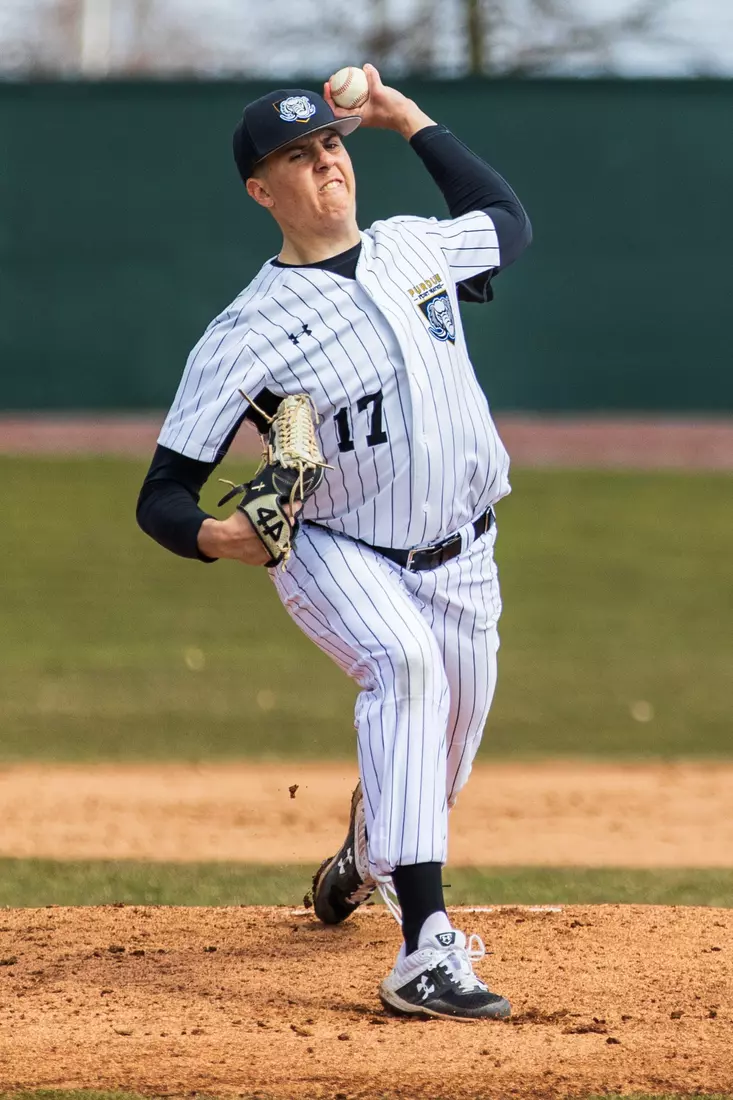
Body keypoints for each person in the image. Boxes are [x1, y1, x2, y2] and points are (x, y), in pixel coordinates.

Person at [137, 64, 531, 1020]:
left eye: (327, 146)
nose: (323, 166)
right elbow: (162, 494)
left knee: (437, 767)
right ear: (260, 190)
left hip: (463, 554)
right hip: (337, 548)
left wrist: (401, 116)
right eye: (294, 158)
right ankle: (423, 953)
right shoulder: (245, 332)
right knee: (401, 668)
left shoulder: (412, 249)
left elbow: (504, 220)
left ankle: (364, 859)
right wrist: (217, 538)